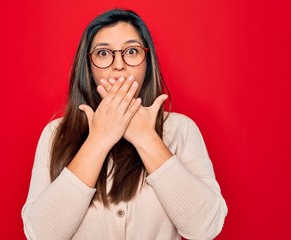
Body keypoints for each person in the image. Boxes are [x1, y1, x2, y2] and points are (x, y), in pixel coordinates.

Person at [21, 9, 227, 240]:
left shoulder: (181, 130)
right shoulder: (55, 133)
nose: (118, 65)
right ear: (88, 66)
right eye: (103, 53)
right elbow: (41, 234)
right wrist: (98, 139)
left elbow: (205, 227)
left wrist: (145, 138)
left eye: (131, 51)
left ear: (147, 62)